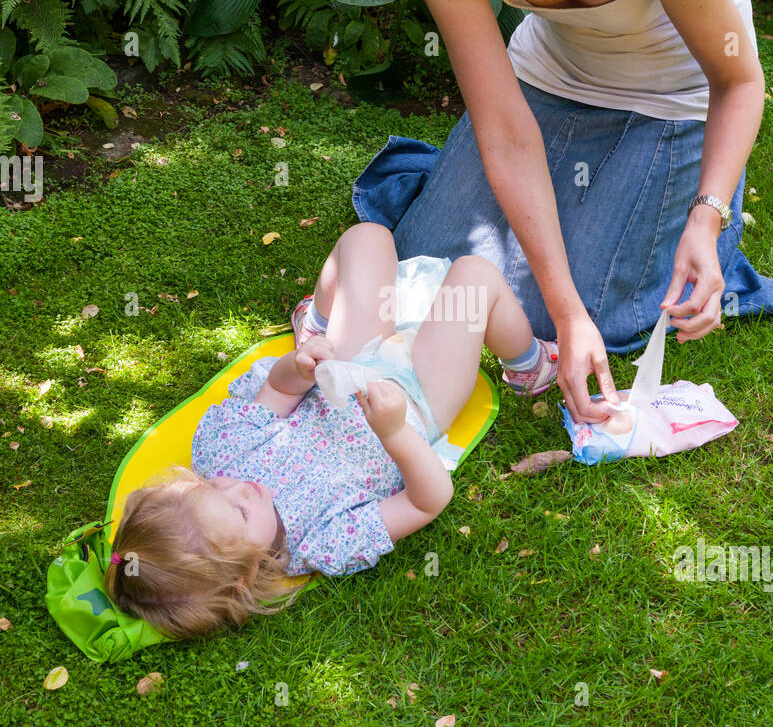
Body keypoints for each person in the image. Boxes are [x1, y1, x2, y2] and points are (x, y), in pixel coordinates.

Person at [351, 0, 773, 428]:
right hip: (554, 76)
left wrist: (706, 216)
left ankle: (702, 234)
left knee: (602, 313)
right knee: (430, 272)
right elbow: (504, 129)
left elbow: (739, 80)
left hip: (679, 99)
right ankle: (585, 208)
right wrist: (564, 314)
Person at [105, 223, 557, 639]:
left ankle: (316, 324)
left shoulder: (226, 456)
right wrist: (395, 432)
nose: (243, 489)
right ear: (247, 574)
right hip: (418, 399)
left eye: (213, 487)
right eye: (239, 515)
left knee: (366, 238)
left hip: (348, 363)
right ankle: (527, 365)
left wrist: (301, 368)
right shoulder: (324, 542)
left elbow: (279, 391)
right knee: (475, 277)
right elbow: (427, 500)